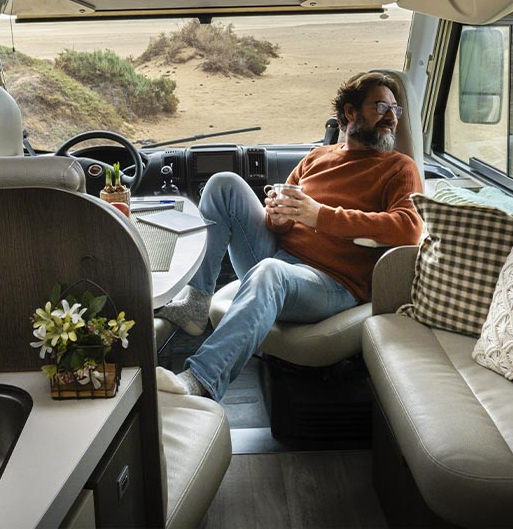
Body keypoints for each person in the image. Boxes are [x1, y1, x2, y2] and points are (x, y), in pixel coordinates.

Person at [155, 71, 424, 400]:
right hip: (282, 258)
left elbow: (409, 228)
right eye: (381, 107)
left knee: (271, 272)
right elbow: (280, 220)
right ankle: (197, 302)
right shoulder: (317, 157)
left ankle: (201, 380)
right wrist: (278, 215)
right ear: (351, 112)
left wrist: (320, 216)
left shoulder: (399, 168)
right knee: (224, 184)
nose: (391, 117)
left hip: (333, 284)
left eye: (395, 110)